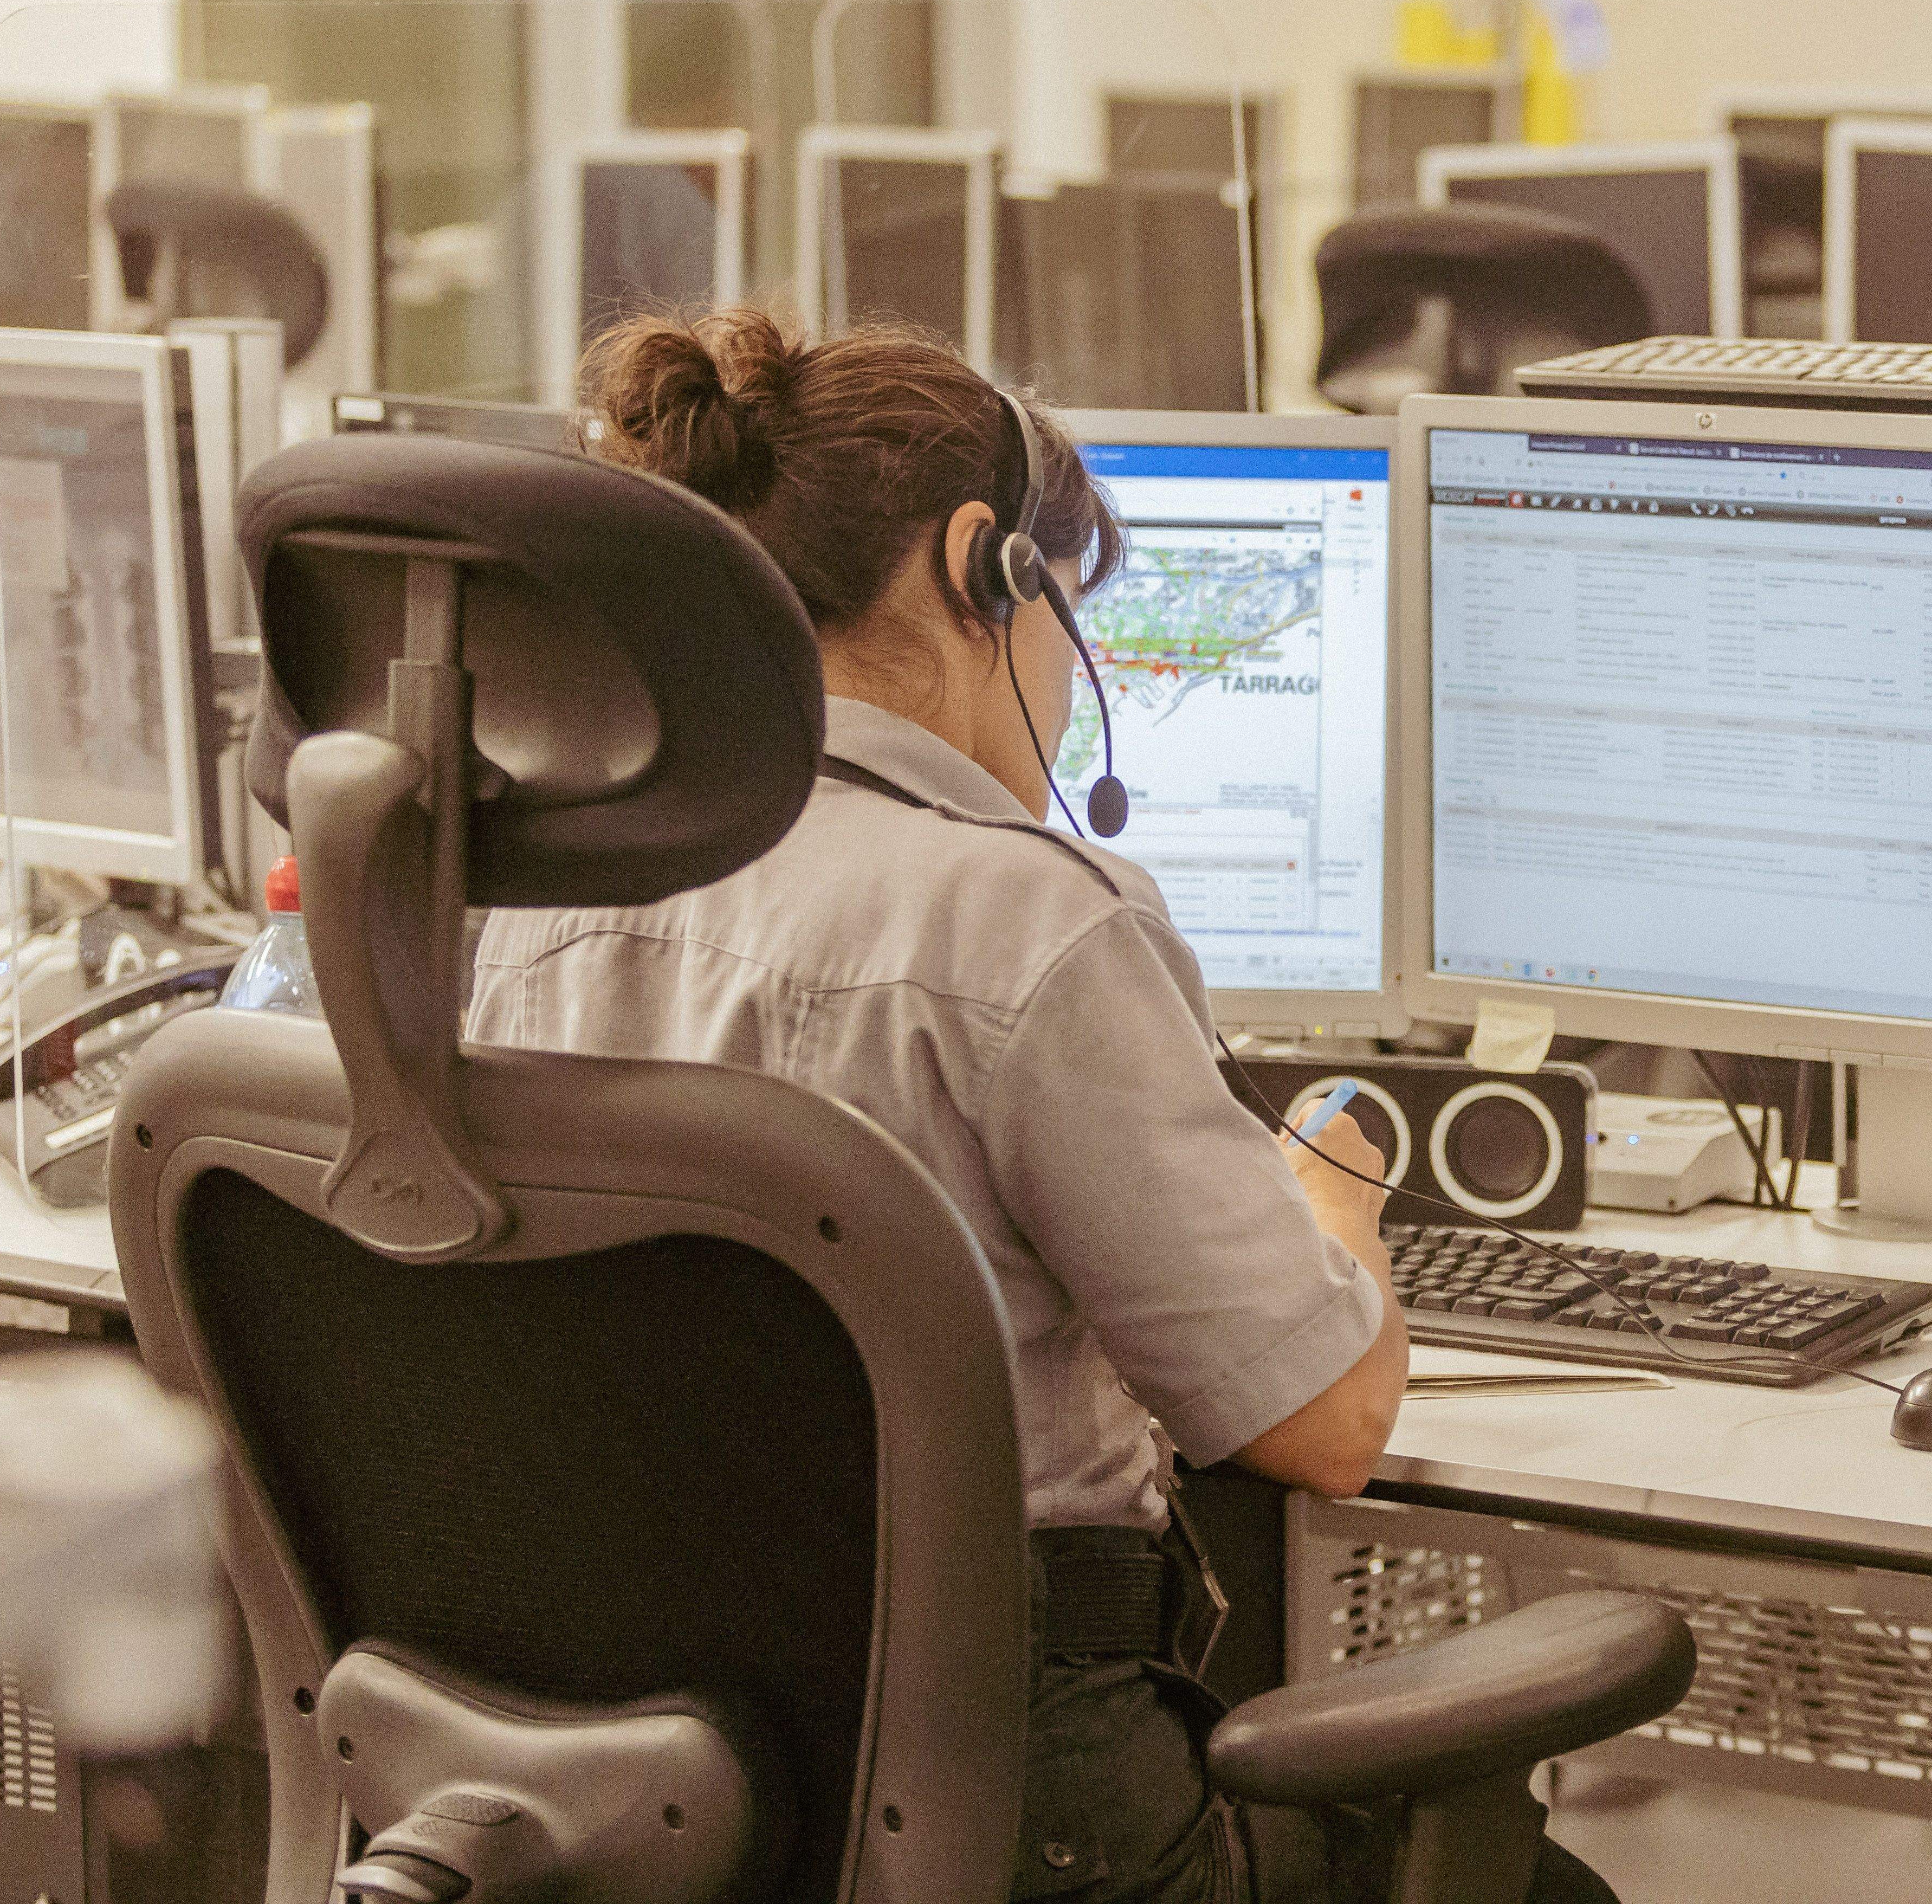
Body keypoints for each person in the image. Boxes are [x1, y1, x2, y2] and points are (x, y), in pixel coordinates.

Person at [465, 309, 1618, 1904]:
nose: (1070, 700)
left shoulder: (530, 892)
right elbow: (1325, 1428)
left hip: (655, 1800)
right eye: (1073, 616)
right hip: (1022, 1814)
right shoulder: (1023, 919)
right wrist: (1334, 1196)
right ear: (984, 567)